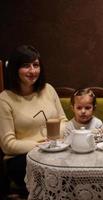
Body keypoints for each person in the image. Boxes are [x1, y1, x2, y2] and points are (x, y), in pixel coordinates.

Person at [0, 45, 67, 196]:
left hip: (54, 151)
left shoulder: (48, 89)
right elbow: (7, 145)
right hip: (22, 159)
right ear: (14, 69)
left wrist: (53, 141)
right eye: (25, 66)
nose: (32, 71)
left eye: (35, 65)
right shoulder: (4, 99)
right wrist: (40, 145)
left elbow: (64, 121)